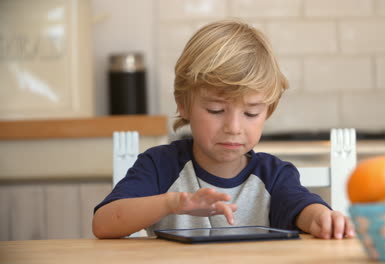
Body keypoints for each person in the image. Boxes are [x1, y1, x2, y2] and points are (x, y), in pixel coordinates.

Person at [93, 19, 355, 240]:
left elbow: (302, 208)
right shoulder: (160, 165)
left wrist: (322, 217)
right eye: (216, 110)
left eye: (251, 113)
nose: (233, 127)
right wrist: (172, 203)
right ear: (183, 105)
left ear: (268, 112)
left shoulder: (274, 176)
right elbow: (103, 224)